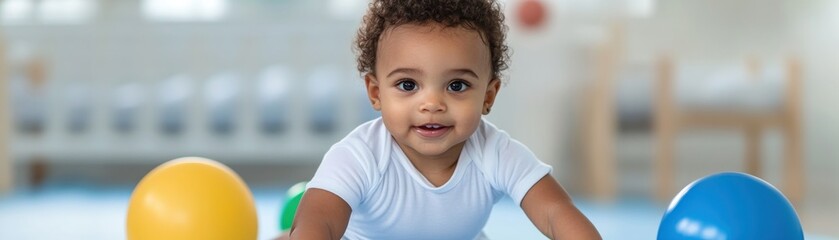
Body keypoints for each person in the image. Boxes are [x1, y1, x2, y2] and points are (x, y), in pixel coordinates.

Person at [289, 0, 601, 239]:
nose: (432, 104)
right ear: (376, 92)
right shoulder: (359, 156)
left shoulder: (495, 150)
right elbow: (319, 221)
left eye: (457, 86)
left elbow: (555, 211)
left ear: (488, 96)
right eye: (408, 85)